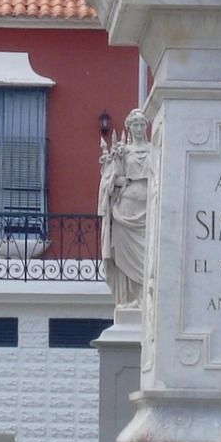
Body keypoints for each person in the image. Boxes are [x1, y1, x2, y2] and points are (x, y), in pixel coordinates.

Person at [97, 109, 152, 308]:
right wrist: (118, 180)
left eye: (141, 124)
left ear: (146, 126)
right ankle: (130, 298)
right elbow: (110, 179)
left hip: (149, 208)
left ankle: (147, 298)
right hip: (126, 209)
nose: (138, 128)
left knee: (149, 254)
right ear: (129, 127)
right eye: (134, 124)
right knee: (125, 256)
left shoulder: (155, 149)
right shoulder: (123, 152)